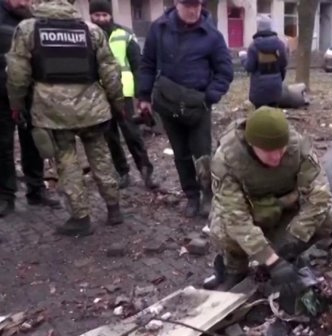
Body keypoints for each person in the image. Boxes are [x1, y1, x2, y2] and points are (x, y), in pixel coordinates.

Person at [6, 0, 125, 236]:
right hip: (91, 107)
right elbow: (110, 71)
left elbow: (18, 74)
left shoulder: (28, 29)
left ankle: (81, 217)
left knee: (66, 162)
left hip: (53, 111)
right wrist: (118, 103)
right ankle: (114, 209)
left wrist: (16, 105)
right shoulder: (91, 30)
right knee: (100, 155)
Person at [202, 106, 332, 293]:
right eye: (268, 151)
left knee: (328, 217)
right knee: (223, 230)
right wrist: (271, 261)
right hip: (251, 213)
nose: (276, 157)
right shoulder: (227, 159)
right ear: (251, 144)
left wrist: (294, 237)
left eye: (280, 149)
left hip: (285, 208)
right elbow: (235, 218)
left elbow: (320, 195)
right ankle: (236, 270)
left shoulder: (297, 147)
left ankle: (288, 257)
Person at [137, 0, 233, 218]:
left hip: (198, 106)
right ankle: (191, 196)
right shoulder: (159, 29)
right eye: (188, 5)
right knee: (180, 154)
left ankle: (208, 196)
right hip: (168, 103)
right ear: (176, 4)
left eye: (197, 5)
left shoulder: (212, 36)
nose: (193, 10)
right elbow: (147, 64)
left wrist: (210, 96)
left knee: (203, 154)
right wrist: (143, 96)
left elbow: (225, 71)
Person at [0, 0, 60, 217]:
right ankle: (6, 196)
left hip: (31, 92)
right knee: (3, 146)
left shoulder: (33, 19)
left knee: (34, 142)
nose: (25, 1)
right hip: (2, 92)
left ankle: (36, 190)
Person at [89, 0, 157, 190]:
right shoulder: (86, 35)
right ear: (91, 16)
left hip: (124, 94)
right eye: (96, 15)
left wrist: (141, 94)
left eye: (104, 15)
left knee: (132, 135)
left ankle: (146, 172)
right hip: (99, 95)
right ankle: (123, 173)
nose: (101, 19)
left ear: (110, 15)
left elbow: (137, 65)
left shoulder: (124, 34)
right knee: (110, 138)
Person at [243, 15, 288, 108]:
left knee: (260, 115)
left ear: (258, 28)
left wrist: (243, 57)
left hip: (259, 90)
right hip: (275, 88)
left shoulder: (254, 46)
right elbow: (284, 64)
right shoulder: (280, 44)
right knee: (274, 113)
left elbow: (249, 67)